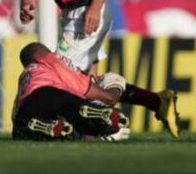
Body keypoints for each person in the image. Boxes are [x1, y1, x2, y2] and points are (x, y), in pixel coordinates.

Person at [12, 42, 180, 140]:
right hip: (54, 93)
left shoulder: (25, 76)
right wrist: (112, 93)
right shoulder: (52, 62)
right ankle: (98, 114)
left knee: (23, 128)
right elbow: (84, 87)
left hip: (28, 105)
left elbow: (15, 112)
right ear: (43, 55)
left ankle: (46, 127)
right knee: (76, 106)